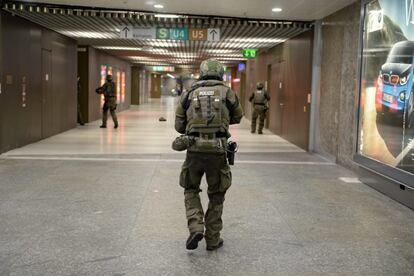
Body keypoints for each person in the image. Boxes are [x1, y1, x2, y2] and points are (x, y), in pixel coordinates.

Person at [174, 59, 243, 251]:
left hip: (194, 150)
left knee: (190, 188)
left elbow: (179, 125)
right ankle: (212, 239)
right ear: (220, 73)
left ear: (202, 73)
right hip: (218, 150)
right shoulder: (228, 92)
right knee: (217, 193)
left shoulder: (189, 93)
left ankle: (196, 227)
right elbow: (238, 115)